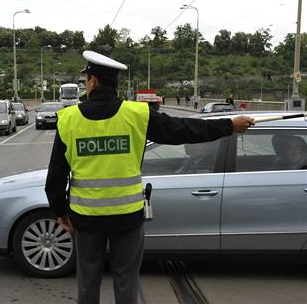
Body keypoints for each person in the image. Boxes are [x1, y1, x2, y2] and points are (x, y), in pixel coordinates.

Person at [45, 50, 254, 304]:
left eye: (86, 80)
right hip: (127, 218)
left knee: (88, 282)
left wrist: (60, 212)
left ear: (93, 81)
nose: (85, 85)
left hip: (87, 219)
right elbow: (183, 129)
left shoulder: (69, 119)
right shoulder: (137, 114)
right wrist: (229, 125)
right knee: (126, 280)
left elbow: (56, 174)